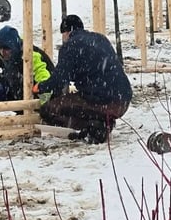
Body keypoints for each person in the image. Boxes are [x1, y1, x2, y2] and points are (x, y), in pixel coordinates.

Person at [34, 14, 132, 144]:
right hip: (123, 99)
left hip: (103, 102)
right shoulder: (100, 39)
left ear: (66, 32)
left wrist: (40, 87)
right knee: (78, 99)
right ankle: (102, 121)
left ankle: (95, 126)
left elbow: (59, 80)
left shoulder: (70, 46)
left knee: (49, 109)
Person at [0, 25, 54, 103]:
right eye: (0, 48)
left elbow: (42, 75)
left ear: (14, 46)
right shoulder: (1, 54)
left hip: (38, 93)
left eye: (6, 49)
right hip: (16, 91)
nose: (3, 52)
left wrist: (45, 99)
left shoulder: (30, 54)